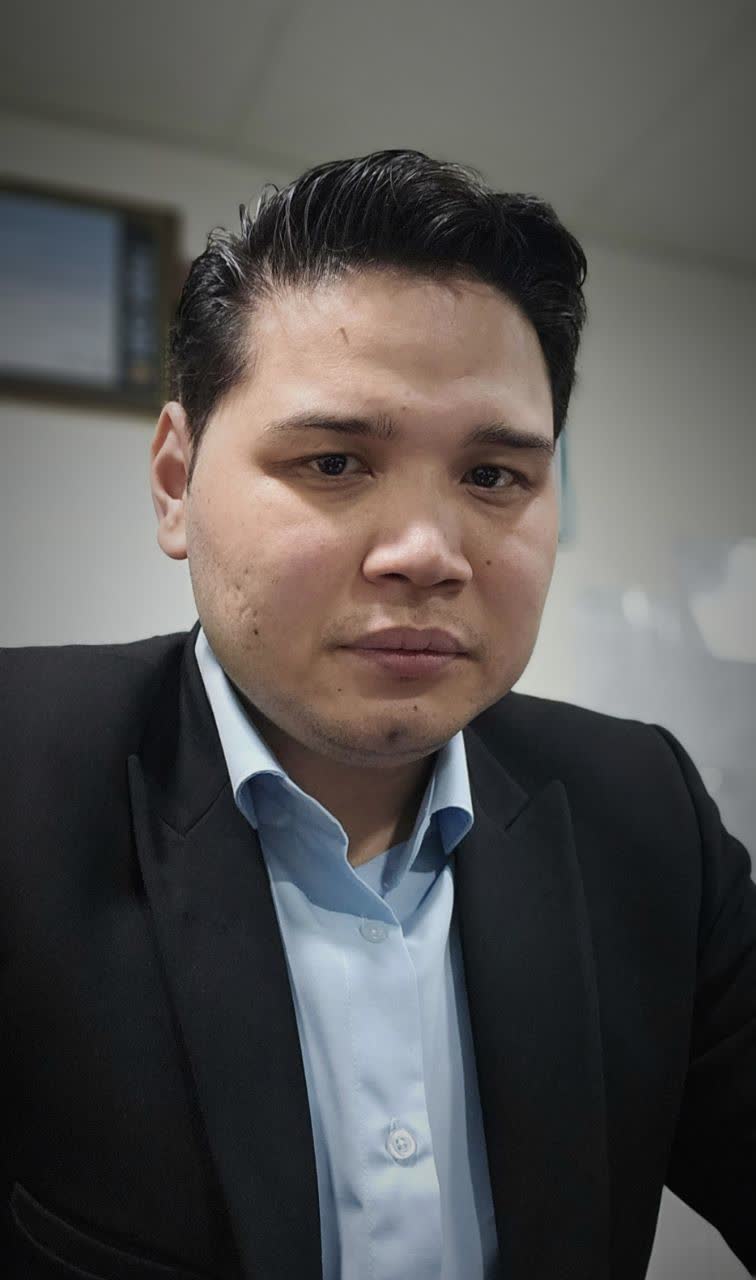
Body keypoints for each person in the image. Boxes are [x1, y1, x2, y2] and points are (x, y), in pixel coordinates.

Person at [2, 149, 754, 1280]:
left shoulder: (647, 815)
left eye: (493, 477)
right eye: (335, 460)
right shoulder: (16, 783)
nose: (426, 553)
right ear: (175, 481)